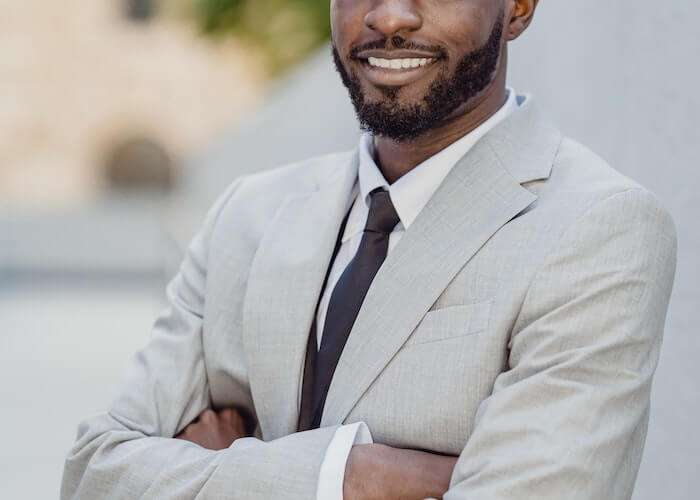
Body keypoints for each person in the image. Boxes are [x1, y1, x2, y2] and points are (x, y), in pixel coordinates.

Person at [61, 1, 678, 499]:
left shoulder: (598, 227)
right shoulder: (246, 215)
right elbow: (95, 474)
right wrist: (349, 476)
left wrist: (221, 472)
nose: (389, 17)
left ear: (518, 7)